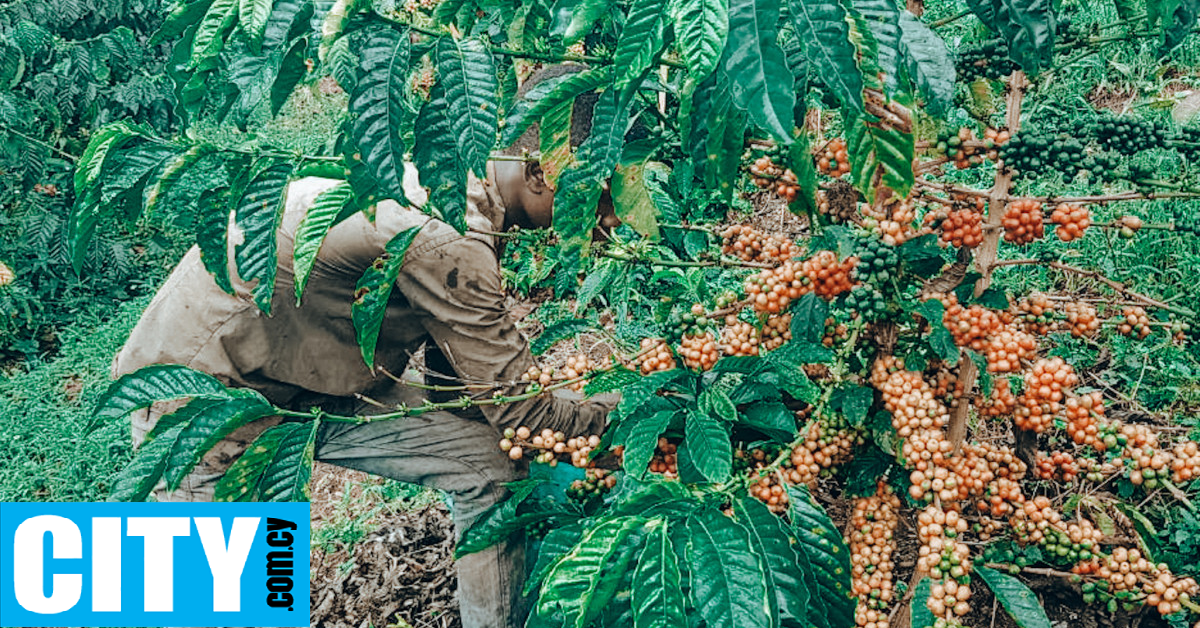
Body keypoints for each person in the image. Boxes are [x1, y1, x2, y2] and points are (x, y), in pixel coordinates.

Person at [110, 64, 616, 628]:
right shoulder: (447, 235)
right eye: (601, 196)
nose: (612, 218)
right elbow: (522, 413)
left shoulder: (457, 188)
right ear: (542, 173)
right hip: (206, 391)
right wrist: (635, 419)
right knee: (221, 598)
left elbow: (467, 389)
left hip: (312, 376)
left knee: (487, 467)